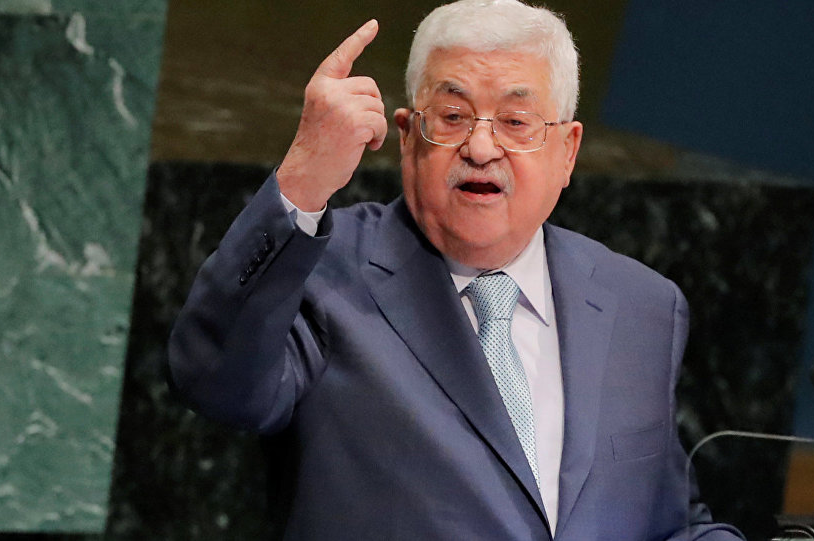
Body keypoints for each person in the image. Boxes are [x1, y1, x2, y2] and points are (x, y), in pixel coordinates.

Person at [168, 1, 743, 539]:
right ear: (405, 137)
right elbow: (213, 381)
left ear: (567, 152)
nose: (481, 147)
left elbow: (668, 519)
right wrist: (304, 177)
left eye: (516, 121)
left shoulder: (641, 304)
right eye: (452, 116)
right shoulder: (324, 270)